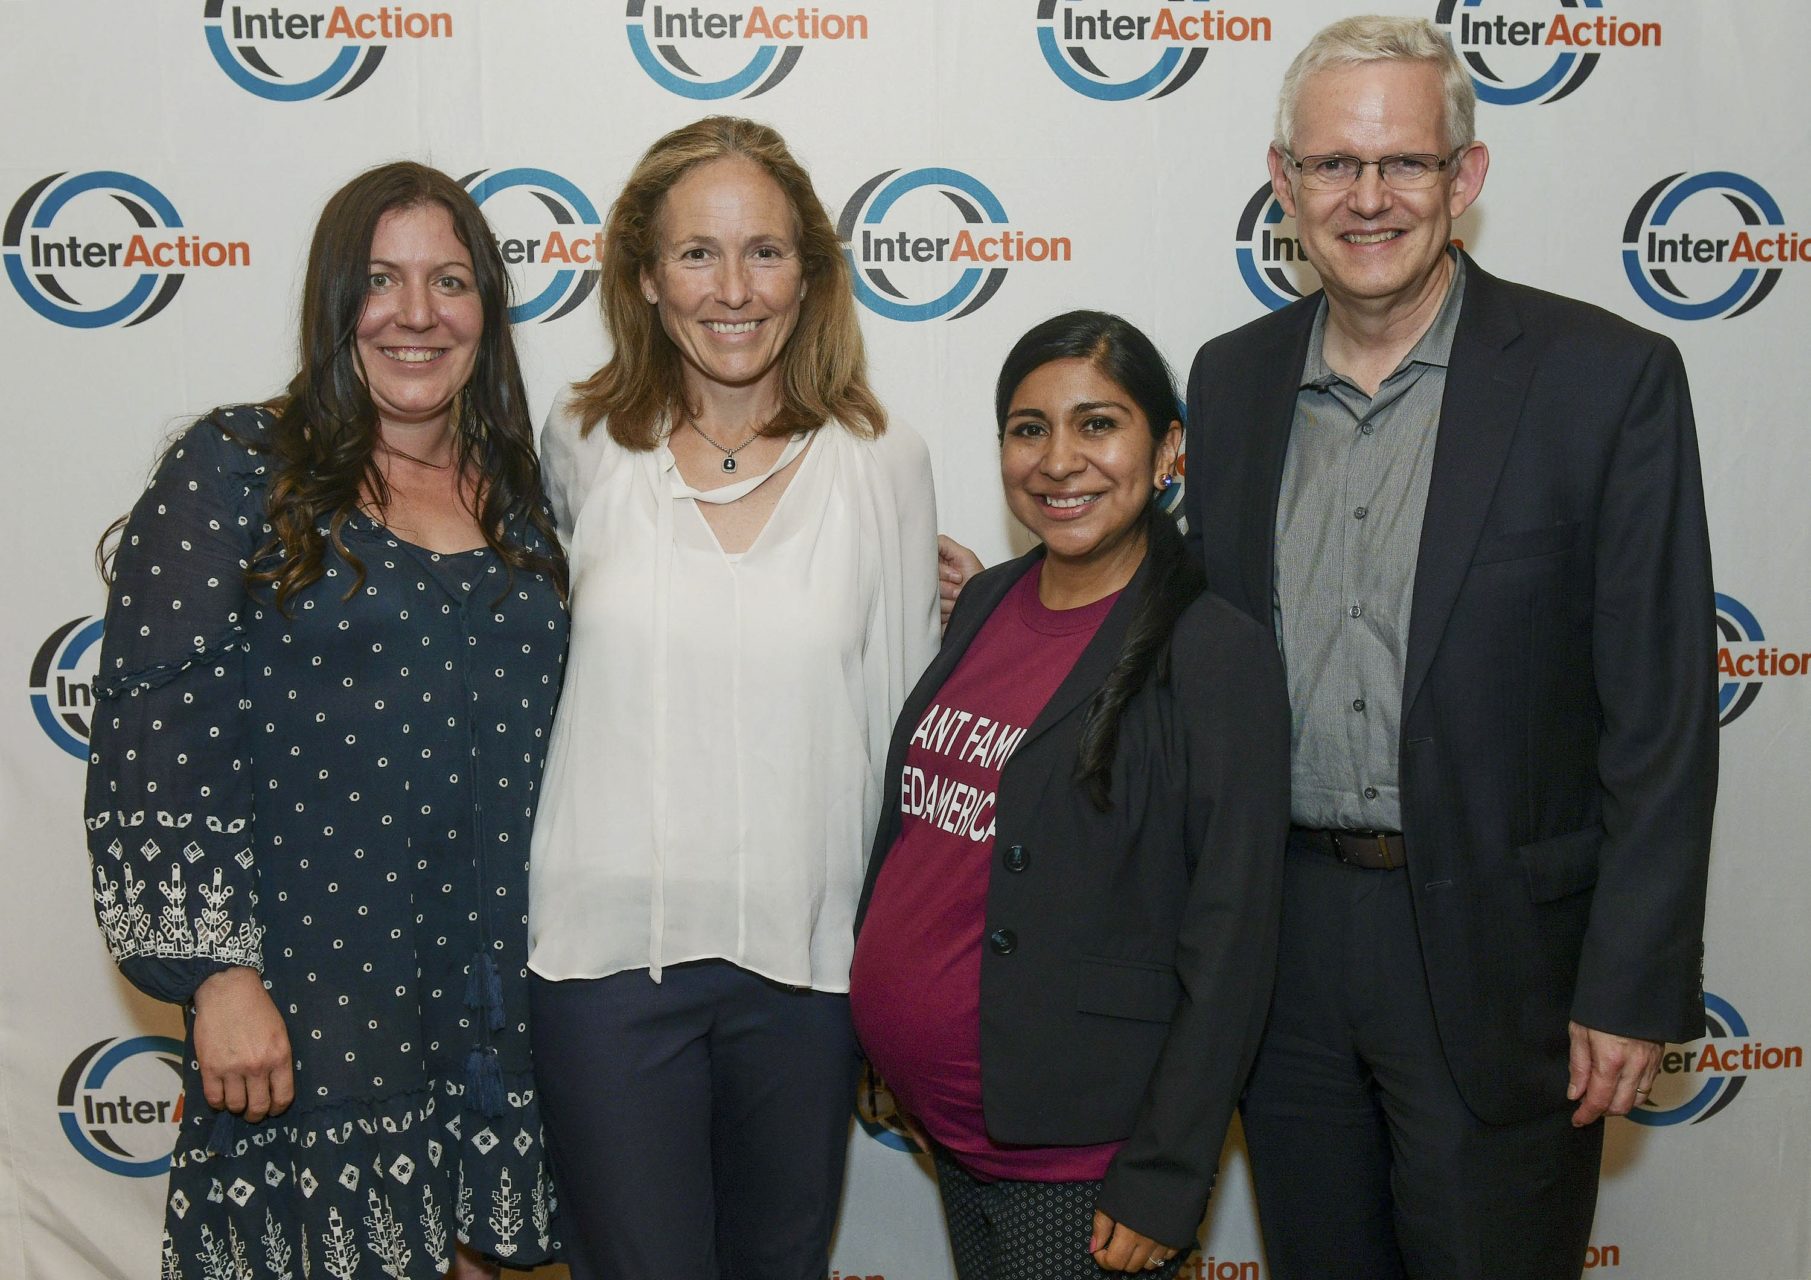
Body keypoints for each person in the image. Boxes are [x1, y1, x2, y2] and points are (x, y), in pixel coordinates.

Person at [1181, 17, 1717, 1279]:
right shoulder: (1230, 380)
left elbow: (1658, 710)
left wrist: (1629, 981)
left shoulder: (1605, 378)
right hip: (1288, 948)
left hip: (1502, 961)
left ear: (1462, 180)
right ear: (1282, 182)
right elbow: (1194, 638)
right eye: (1331, 167)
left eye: (1404, 165)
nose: (1367, 200)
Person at [84, 161, 569, 1280]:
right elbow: (156, 734)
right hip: (308, 1007)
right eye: (382, 280)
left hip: (503, 1002)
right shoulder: (236, 465)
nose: (416, 313)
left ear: (487, 310)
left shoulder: (531, 492)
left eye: (449, 280)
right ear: (333, 299)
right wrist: (214, 973)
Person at [526, 116, 941, 1280]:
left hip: (805, 972)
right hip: (603, 965)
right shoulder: (581, 440)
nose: (732, 288)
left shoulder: (883, 460)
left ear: (808, 273)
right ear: (645, 279)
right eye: (696, 254)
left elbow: (903, 729)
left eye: (764, 251)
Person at [850, 311, 1291, 1279]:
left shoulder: (1213, 652)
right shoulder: (985, 601)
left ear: (1166, 446)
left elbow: (1232, 937)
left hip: (1080, 1164)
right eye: (1026, 427)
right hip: (956, 1130)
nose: (1058, 460)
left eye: (1097, 424)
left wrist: (1165, 1171)